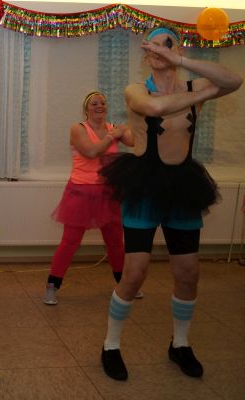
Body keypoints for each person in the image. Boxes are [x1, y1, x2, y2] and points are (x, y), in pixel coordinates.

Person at [99, 25, 242, 381]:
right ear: (146, 54)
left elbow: (235, 80)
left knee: (188, 272)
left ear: (176, 50)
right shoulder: (136, 90)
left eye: (167, 44)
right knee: (134, 273)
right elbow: (155, 106)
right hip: (144, 184)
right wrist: (205, 93)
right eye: (153, 45)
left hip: (183, 186)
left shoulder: (191, 83)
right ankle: (111, 345)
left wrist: (182, 63)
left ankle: (180, 344)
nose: (159, 49)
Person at [44, 91, 135, 305]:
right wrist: (112, 135)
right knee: (70, 242)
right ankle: (52, 286)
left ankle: (124, 286)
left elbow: (134, 142)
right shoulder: (78, 128)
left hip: (109, 193)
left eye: (103, 103)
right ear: (86, 108)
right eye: (94, 103)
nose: (99, 106)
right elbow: (92, 152)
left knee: (115, 242)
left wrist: (134, 121)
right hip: (81, 192)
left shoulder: (113, 127)